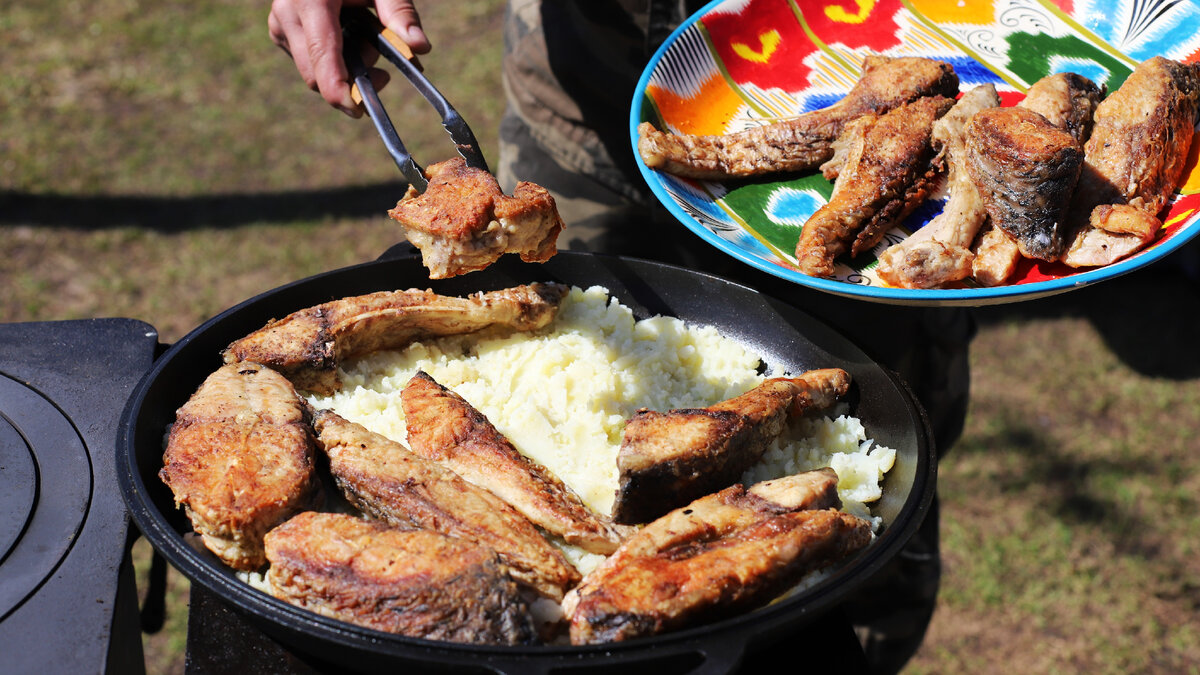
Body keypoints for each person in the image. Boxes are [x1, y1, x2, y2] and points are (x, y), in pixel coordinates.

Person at [268, 2, 974, 671]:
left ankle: (874, 639)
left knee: (861, 561)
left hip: (830, 74)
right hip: (589, 82)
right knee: (538, 289)